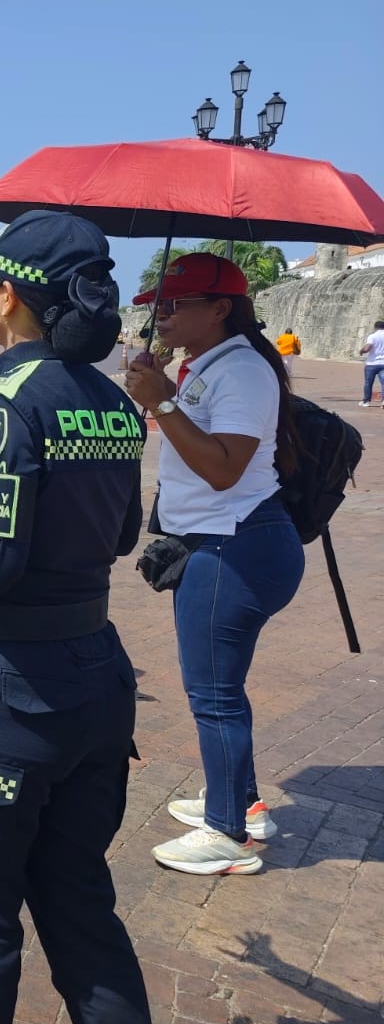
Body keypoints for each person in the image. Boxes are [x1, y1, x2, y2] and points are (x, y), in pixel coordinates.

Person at [0, 209, 154, 1024]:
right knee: (82, 911)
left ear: (7, 297)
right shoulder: (113, 402)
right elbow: (123, 537)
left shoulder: (1, 400)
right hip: (94, 680)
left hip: (6, 694)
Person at [124, 252, 304, 876]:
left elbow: (224, 469)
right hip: (220, 542)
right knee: (220, 687)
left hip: (236, 544)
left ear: (220, 309)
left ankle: (230, 835)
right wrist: (161, 393)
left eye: (177, 305)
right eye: (159, 307)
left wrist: (165, 405)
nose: (164, 316)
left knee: (215, 694)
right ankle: (243, 805)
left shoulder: (244, 372)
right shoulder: (207, 364)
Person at [361, 319, 384, 407]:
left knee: (368, 382)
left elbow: (367, 348)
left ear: (375, 327)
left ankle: (366, 401)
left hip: (372, 363)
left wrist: (361, 351)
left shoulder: (372, 336)